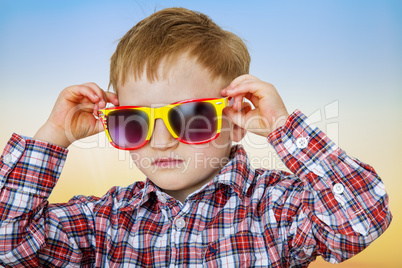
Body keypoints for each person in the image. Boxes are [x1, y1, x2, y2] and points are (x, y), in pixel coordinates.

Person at [0, 7, 391, 267]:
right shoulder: (106, 221)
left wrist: (281, 127)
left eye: (191, 118)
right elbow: (9, 242)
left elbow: (358, 225)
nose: (161, 141)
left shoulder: (277, 209)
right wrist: (52, 138)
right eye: (134, 122)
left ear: (236, 120)